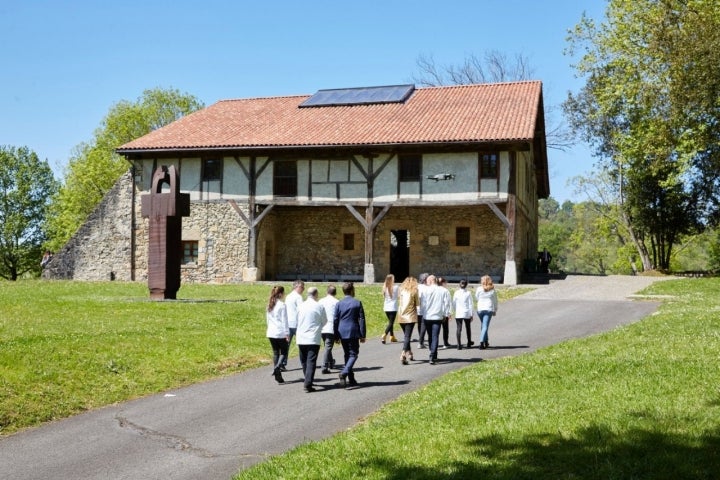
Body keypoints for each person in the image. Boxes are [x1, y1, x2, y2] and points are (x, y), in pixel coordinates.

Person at [333, 282, 366, 388]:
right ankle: (344, 373)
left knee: (347, 354)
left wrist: (335, 335)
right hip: (353, 331)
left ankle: (351, 379)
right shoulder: (357, 302)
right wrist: (362, 334)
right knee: (353, 354)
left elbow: (335, 320)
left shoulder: (339, 303)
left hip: (341, 331)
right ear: (352, 290)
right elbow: (361, 319)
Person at [296, 287, 327, 393]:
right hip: (313, 337)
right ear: (316, 294)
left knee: (304, 360)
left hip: (301, 337)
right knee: (311, 361)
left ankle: (307, 379)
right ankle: (308, 383)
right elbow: (324, 321)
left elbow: (296, 319)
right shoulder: (319, 306)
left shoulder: (300, 306)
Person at [422, 275, 451, 365]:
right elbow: (447, 303)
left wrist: (423, 313)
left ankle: (432, 352)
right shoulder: (443, 290)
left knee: (430, 335)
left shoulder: (425, 290)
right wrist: (447, 314)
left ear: (430, 281)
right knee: (435, 336)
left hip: (427, 316)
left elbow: (423, 303)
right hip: (438, 316)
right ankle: (433, 354)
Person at [265, 285, 289, 384]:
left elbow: (268, 320)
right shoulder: (282, 305)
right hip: (280, 332)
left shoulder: (269, 304)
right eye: (283, 293)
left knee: (275, 352)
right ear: (280, 294)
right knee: (284, 351)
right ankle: (277, 367)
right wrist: (287, 333)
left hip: (271, 332)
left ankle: (278, 375)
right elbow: (284, 320)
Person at [397, 276, 420, 365]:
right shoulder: (414, 291)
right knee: (407, 336)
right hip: (410, 316)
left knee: (407, 336)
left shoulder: (401, 290)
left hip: (401, 315)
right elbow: (418, 303)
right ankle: (403, 353)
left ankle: (410, 353)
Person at [282, 279, 305, 369]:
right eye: (302, 287)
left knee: (286, 345)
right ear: (298, 287)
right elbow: (302, 310)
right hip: (296, 323)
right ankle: (304, 361)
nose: (303, 289)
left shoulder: (288, 296)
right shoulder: (298, 297)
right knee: (302, 343)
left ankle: (283, 363)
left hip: (288, 323)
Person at [318, 285, 339, 374]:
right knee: (328, 347)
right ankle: (324, 365)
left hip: (322, 326)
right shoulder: (337, 302)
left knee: (327, 346)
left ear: (327, 292)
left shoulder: (321, 301)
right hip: (331, 327)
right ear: (335, 293)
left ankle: (330, 362)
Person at [476, 275, 499, 349]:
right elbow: (495, 301)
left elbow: (476, 297)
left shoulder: (479, 289)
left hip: (480, 309)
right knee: (485, 326)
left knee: (483, 326)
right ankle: (481, 342)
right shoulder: (492, 290)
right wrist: (495, 309)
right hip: (488, 309)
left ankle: (486, 341)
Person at [452, 279, 474, 349]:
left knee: (459, 328)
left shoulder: (456, 293)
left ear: (459, 284)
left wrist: (455, 310)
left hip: (458, 313)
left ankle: (459, 344)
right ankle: (469, 342)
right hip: (466, 312)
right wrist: (471, 314)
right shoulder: (468, 293)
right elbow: (471, 304)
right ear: (466, 285)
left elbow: (454, 303)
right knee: (468, 327)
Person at [381, 274, 399, 344]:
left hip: (386, 307)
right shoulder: (396, 287)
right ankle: (384, 334)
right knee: (391, 323)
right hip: (393, 307)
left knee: (390, 322)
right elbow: (398, 296)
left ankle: (392, 336)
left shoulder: (384, 287)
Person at [437, 276, 452, 349]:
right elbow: (447, 302)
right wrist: (449, 313)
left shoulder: (435, 290)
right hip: (444, 313)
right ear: (443, 283)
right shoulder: (445, 291)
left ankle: (435, 343)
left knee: (437, 329)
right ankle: (445, 343)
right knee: (445, 328)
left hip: (436, 312)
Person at [416, 272, 429, 348]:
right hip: (423, 309)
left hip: (418, 309)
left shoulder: (417, 287)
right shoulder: (424, 288)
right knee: (424, 326)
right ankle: (421, 342)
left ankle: (421, 340)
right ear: (425, 280)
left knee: (419, 325)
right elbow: (420, 298)